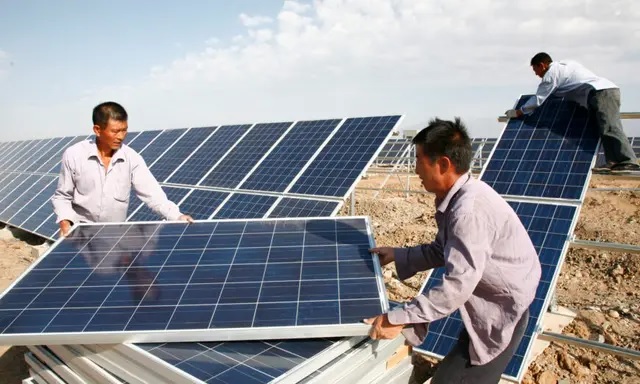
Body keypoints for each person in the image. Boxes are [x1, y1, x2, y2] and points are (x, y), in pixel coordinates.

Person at [364, 118, 541, 384]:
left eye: (419, 159)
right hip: (494, 301)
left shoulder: (468, 211)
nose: (415, 169)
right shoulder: (460, 197)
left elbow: (458, 285)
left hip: (502, 309)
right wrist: (399, 255)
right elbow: (441, 249)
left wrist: (397, 317)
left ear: (444, 164)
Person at [52, 101, 193, 237]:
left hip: (114, 236)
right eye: (115, 131)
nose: (121, 136)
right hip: (80, 234)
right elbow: (62, 196)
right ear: (97, 130)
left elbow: (153, 195)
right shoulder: (74, 155)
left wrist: (177, 216)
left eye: (124, 130)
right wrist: (65, 223)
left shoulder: (131, 158)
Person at [505, 52, 639, 172]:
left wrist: (519, 112)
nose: (536, 74)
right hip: (598, 93)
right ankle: (614, 161)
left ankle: (629, 161)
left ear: (542, 65)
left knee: (610, 127)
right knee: (602, 128)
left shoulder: (551, 75)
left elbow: (538, 99)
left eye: (536, 70)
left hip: (602, 92)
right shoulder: (567, 64)